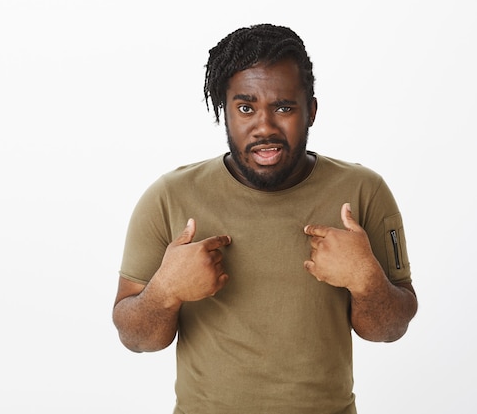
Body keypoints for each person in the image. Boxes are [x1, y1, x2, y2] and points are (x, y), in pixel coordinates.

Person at [112, 23, 417, 414]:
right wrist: (165, 290)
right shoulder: (169, 196)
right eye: (245, 107)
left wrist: (367, 279)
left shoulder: (364, 192)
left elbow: (390, 331)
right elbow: (135, 339)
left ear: (311, 111)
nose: (265, 127)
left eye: (284, 107)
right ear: (225, 111)